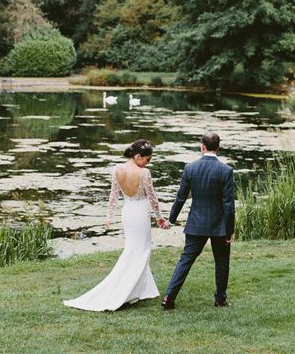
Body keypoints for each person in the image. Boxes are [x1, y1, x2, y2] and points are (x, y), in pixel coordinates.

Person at [64, 139, 170, 312]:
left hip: (127, 212)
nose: (148, 163)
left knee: (134, 249)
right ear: (137, 156)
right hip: (141, 212)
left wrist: (109, 216)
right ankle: (124, 290)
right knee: (141, 251)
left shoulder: (117, 169)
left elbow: (113, 195)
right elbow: (153, 198)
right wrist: (159, 217)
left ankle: (143, 289)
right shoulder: (144, 173)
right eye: (147, 159)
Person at [161, 132, 235, 310]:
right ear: (218, 147)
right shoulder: (226, 170)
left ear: (202, 146)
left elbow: (180, 198)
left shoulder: (190, 168)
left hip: (196, 223)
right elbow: (228, 204)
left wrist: (171, 219)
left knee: (185, 260)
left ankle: (169, 297)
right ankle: (220, 299)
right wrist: (229, 230)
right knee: (222, 261)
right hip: (219, 226)